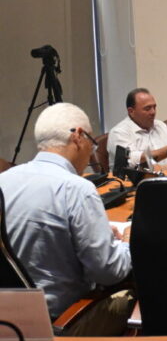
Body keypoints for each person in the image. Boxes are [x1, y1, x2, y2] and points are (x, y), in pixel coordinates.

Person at [0, 103, 133, 335]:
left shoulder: (4, 180)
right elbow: (109, 272)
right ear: (78, 136)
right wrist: (128, 243)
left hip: (11, 322)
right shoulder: (77, 189)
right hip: (62, 321)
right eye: (92, 143)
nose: (91, 152)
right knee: (134, 295)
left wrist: (100, 234)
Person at [107, 88, 167, 167]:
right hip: (135, 177)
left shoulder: (159, 125)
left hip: (166, 173)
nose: (153, 112)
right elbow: (133, 162)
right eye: (147, 108)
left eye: (154, 107)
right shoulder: (118, 132)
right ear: (131, 111)